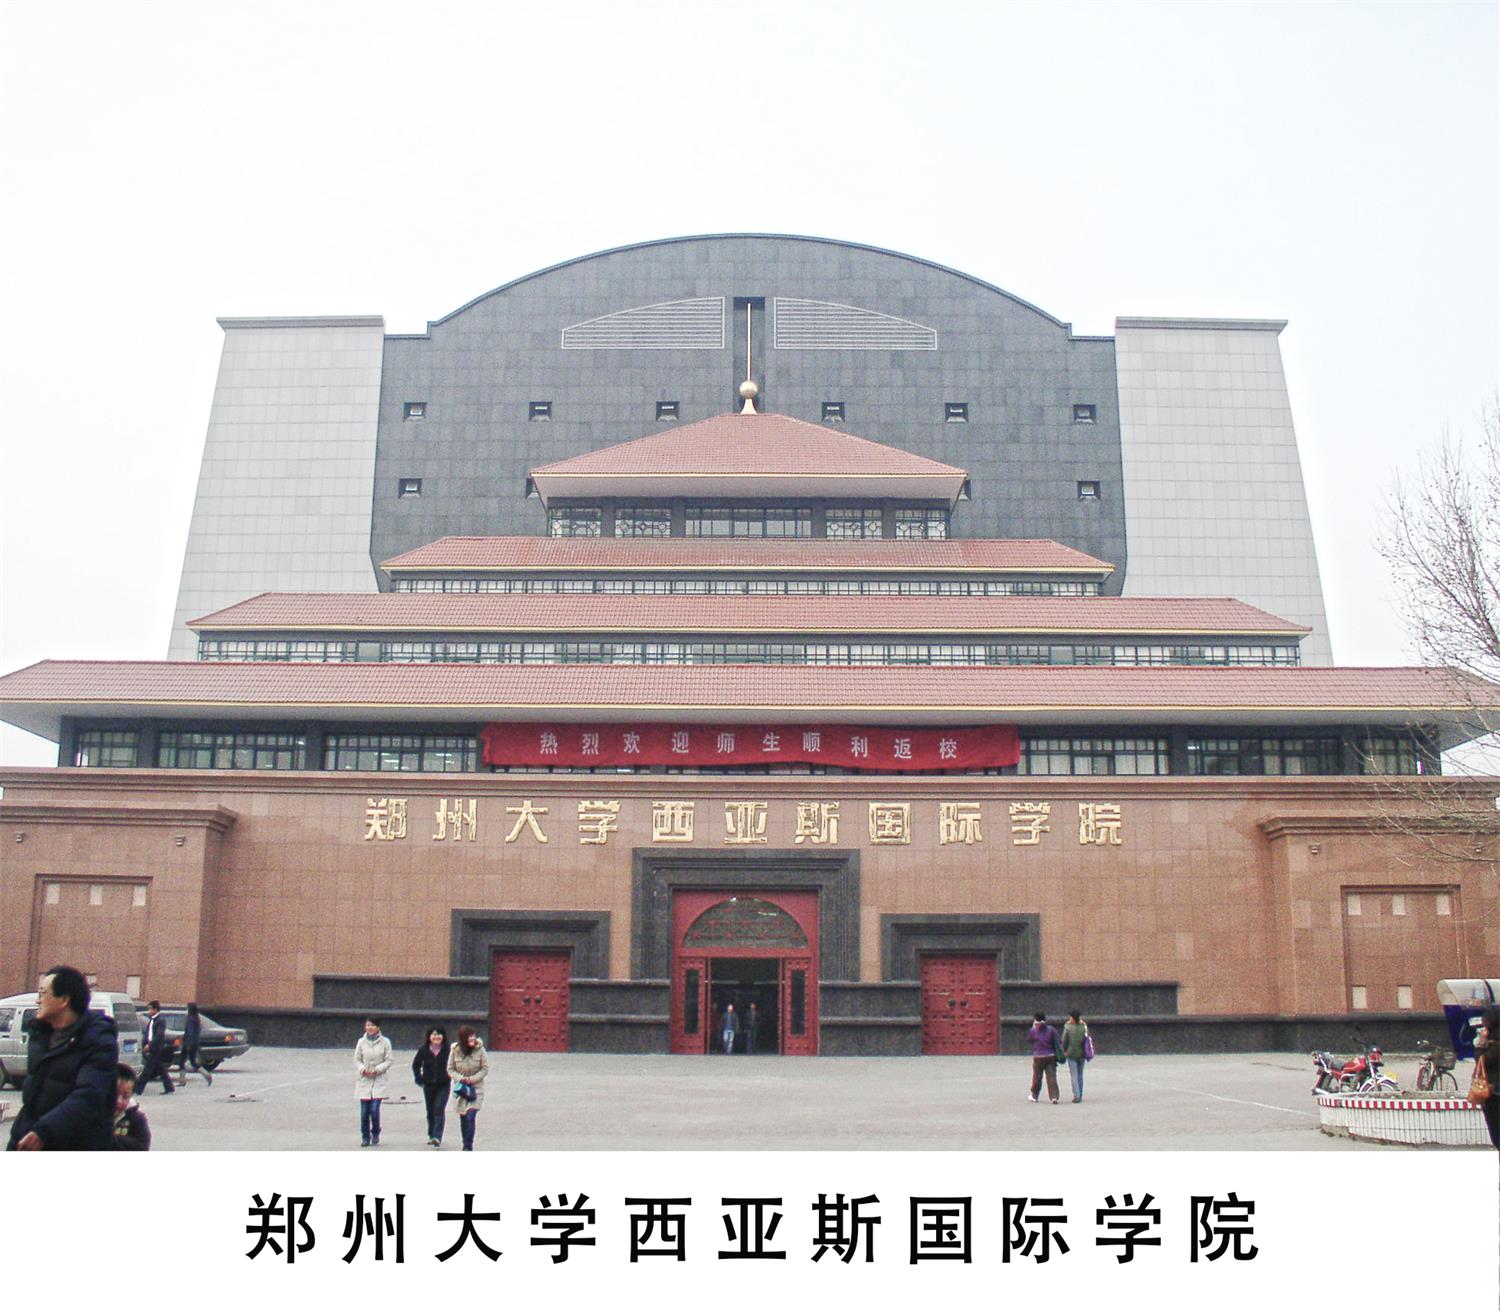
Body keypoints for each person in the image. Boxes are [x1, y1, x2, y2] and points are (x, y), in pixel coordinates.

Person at [7, 965, 118, 1151]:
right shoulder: (40, 1035)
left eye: (43, 993)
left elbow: (89, 1096)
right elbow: (31, 1103)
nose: (37, 1000)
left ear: (64, 1000)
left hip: (77, 1144)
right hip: (36, 1138)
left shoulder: (98, 1040)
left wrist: (44, 1131)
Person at [447, 1025, 489, 1151]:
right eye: (469, 1036)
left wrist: (472, 1079)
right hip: (461, 1089)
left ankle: (468, 1146)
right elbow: (450, 1069)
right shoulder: (455, 1050)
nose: (472, 1039)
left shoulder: (480, 1050)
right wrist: (460, 1078)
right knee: (464, 1117)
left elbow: (485, 1069)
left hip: (476, 1089)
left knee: (471, 1116)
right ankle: (465, 1142)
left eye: (473, 1036)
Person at [353, 1018, 392, 1147]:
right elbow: (357, 1059)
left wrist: (378, 1069)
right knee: (364, 1112)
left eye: (373, 1025)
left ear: (378, 1027)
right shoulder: (361, 1042)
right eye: (368, 1025)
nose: (370, 1028)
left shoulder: (385, 1042)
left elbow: (389, 1060)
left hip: (379, 1080)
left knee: (374, 1110)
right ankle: (365, 1137)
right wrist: (362, 1069)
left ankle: (375, 1131)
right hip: (364, 1080)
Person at [412, 1024, 451, 1148]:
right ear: (429, 1036)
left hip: (443, 1084)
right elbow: (416, 1064)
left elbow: (455, 1064)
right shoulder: (423, 1050)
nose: (436, 1037)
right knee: (430, 1110)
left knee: (439, 1108)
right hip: (428, 1084)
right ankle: (431, 1133)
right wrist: (418, 1078)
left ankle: (437, 1136)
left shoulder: (448, 1050)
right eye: (434, 1034)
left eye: (439, 1034)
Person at [135, 1000, 175, 1096]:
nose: (149, 1011)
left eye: (150, 1009)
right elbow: (149, 1034)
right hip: (151, 1047)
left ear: (155, 1009)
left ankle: (137, 1090)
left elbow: (159, 1035)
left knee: (147, 1070)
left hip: (156, 1048)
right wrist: (145, 1044)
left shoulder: (160, 1020)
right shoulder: (152, 1020)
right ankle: (169, 1087)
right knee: (161, 1069)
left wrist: (150, 1045)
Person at [1476, 1005, 1500, 1151]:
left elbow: (1482, 1061)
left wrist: (1480, 1045)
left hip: (1494, 1094)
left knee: (1497, 1133)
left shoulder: (1494, 1044)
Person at [112, 1062, 151, 1150]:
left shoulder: (136, 1118)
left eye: (125, 1097)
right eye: (114, 1094)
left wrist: (110, 1139)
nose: (119, 1101)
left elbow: (142, 1147)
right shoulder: (92, 1115)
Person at [1027, 1012, 1060, 1104]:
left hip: (1038, 1056)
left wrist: (1033, 1027)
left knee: (1037, 1077)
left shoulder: (1033, 1030)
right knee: (1051, 1077)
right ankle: (1054, 1097)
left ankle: (1034, 1096)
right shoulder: (1051, 1029)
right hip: (1051, 1056)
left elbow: (1029, 1040)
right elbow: (1058, 1040)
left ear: (1035, 1020)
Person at [177, 1002, 212, 1086]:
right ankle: (207, 1075)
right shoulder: (196, 1018)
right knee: (193, 1062)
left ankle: (182, 1080)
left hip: (188, 1043)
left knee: (181, 1061)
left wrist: (187, 1043)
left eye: (187, 1008)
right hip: (195, 1042)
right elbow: (197, 1031)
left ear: (190, 1009)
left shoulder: (190, 1019)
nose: (186, 1010)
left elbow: (190, 1032)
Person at [1061, 1009, 1090, 1103]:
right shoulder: (1084, 1027)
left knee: (1074, 1075)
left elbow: (1064, 1041)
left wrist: (1064, 1051)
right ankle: (1080, 1093)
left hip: (1071, 1054)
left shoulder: (1068, 1027)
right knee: (1080, 1075)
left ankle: (1076, 1096)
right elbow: (1087, 1038)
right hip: (1082, 1054)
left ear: (1072, 1018)